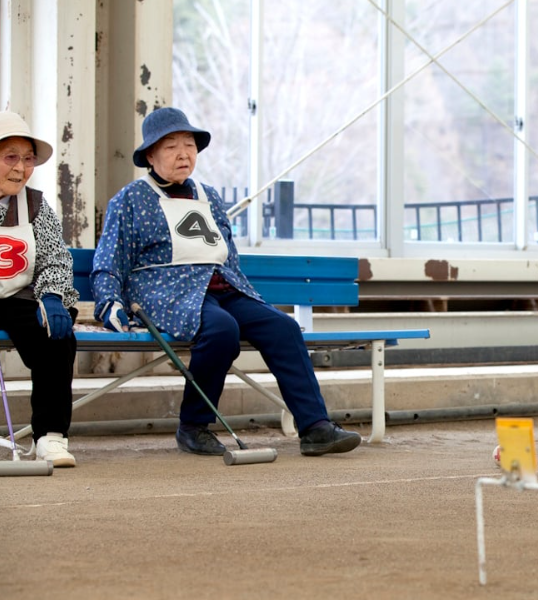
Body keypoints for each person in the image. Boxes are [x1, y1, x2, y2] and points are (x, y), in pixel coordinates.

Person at [91, 107, 362, 457]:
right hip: (168, 293)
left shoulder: (209, 197)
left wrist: (246, 295)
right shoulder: (129, 200)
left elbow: (227, 254)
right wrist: (109, 300)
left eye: (189, 144)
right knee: (221, 329)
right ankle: (193, 426)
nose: (183, 153)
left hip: (223, 287)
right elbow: (109, 259)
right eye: (171, 145)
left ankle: (315, 427)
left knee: (283, 328)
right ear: (150, 155)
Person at [0, 111, 78, 467]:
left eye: (27, 159)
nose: (21, 168)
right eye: (10, 157)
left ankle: (50, 436)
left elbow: (54, 258)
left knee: (56, 336)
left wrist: (51, 296)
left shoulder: (34, 204)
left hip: (17, 295)